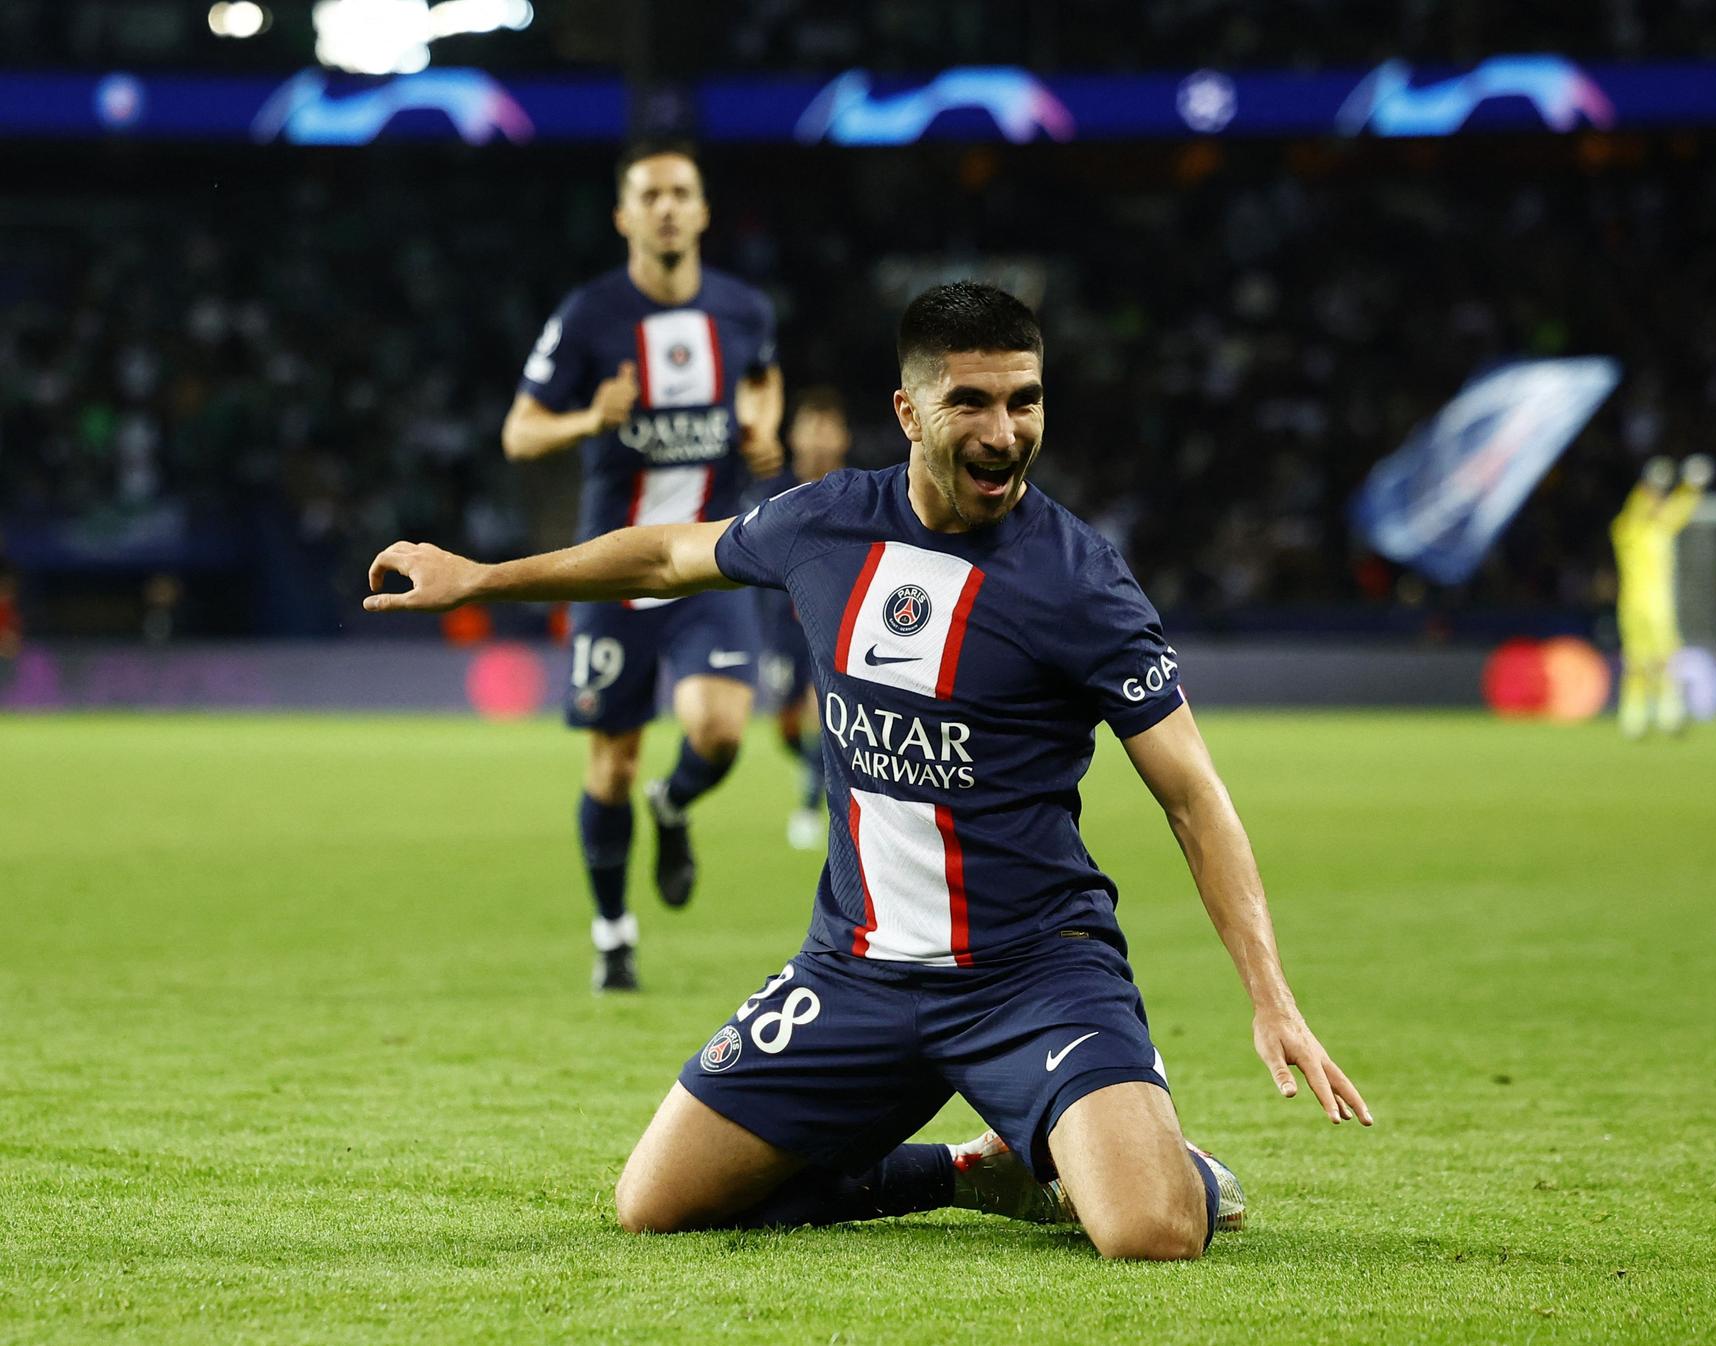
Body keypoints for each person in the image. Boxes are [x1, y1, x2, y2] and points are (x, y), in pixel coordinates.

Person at [367, 282, 1370, 1259]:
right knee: (655, 1203)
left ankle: (1133, 1153)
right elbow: (670, 555)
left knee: (1151, 1231)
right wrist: (485, 579)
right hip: (854, 971)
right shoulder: (824, 525)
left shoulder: (1081, 583)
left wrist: (1270, 996)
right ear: (907, 409)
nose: (1003, 430)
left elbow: (1191, 794)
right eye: (969, 401)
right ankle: (976, 1170)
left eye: (1023, 401)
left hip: (1031, 970)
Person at [500, 139, 784, 992]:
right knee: (612, 762)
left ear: (701, 212)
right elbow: (519, 432)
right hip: (614, 574)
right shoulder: (589, 316)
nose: (666, 207)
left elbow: (765, 380)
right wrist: (590, 417)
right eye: (649, 195)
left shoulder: (742, 309)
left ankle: (675, 803)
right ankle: (613, 933)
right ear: (625, 216)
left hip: (709, 564)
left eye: (681, 193)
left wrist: (763, 424)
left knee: (722, 732)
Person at [745, 385, 852, 851]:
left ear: (843, 438)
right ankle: (818, 776)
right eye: (813, 428)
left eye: (829, 430)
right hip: (783, 631)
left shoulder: (859, 496)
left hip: (839, 627)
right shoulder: (772, 493)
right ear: (795, 437)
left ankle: (812, 807)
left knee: (822, 712)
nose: (821, 440)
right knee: (788, 728)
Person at [1612, 453, 1713, 737]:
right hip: (1635, 604)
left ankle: (1667, 713)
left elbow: (1680, 509)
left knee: (1665, 660)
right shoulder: (1628, 529)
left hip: (1658, 605)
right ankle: (1634, 715)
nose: (1657, 501)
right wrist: (1650, 485)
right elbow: (1639, 505)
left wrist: (1691, 487)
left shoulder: (1661, 529)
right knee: (1636, 661)